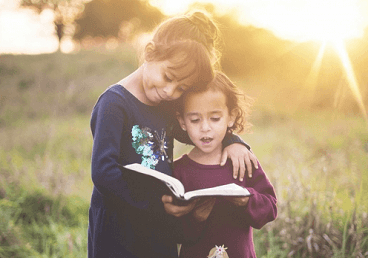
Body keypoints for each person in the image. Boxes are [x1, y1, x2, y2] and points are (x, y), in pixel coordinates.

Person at [88, 11, 258, 258]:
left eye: (182, 88)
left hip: (159, 226)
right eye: (168, 77)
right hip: (119, 227)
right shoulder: (114, 104)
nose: (170, 91)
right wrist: (156, 206)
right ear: (149, 53)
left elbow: (198, 134)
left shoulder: (165, 105)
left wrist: (233, 141)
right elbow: (103, 173)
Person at [173, 71, 278, 258]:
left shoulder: (242, 160)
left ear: (231, 116)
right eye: (195, 120)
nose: (205, 127)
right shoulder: (179, 171)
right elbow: (173, 233)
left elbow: (270, 208)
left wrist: (247, 200)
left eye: (215, 118)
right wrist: (196, 218)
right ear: (182, 121)